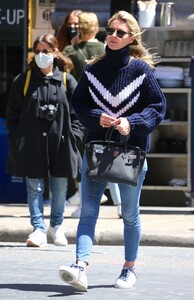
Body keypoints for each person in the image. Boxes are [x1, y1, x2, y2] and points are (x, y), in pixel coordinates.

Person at [59, 10, 166, 291]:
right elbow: (79, 104)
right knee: (89, 210)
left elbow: (158, 108)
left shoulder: (141, 72)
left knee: (130, 214)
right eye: (111, 30)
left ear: (131, 38)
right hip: (96, 151)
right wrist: (97, 117)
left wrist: (132, 122)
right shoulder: (93, 70)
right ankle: (80, 266)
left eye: (121, 32)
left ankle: (129, 268)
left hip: (131, 154)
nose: (114, 36)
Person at [6, 33, 84, 247]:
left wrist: (74, 137)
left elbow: (79, 114)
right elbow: (12, 113)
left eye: (46, 51)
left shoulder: (67, 80)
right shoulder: (24, 80)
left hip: (61, 143)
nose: (42, 55)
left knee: (60, 189)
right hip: (32, 143)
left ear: (55, 52)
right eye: (38, 51)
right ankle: (38, 228)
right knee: (35, 188)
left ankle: (56, 226)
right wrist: (16, 139)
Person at [62, 11, 108, 218]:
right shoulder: (105, 49)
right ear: (96, 28)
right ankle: (102, 193)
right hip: (103, 109)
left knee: (82, 154)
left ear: (79, 28)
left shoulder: (70, 50)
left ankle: (84, 199)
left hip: (78, 109)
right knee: (102, 152)